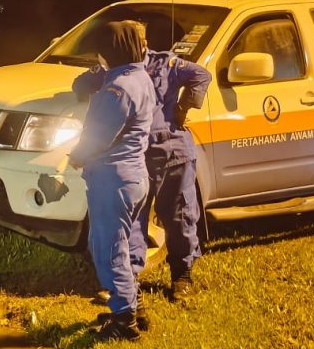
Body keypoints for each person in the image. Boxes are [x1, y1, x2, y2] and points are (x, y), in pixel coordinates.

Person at [75, 20, 212, 303]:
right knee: (134, 221)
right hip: (139, 155)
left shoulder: (165, 64)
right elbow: (81, 84)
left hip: (172, 151)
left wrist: (183, 107)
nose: (140, 44)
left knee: (180, 215)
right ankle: (130, 278)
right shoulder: (113, 69)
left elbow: (201, 75)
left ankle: (182, 275)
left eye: (141, 38)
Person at [66, 21, 157, 341]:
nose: (99, 58)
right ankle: (134, 306)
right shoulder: (139, 76)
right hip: (133, 177)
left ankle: (124, 323)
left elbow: (99, 135)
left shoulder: (119, 88)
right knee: (128, 245)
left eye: (102, 51)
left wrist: (75, 156)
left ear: (112, 50)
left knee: (108, 249)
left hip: (112, 180)